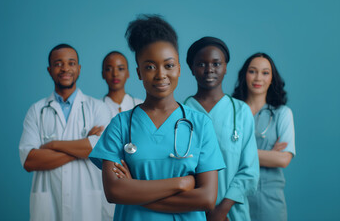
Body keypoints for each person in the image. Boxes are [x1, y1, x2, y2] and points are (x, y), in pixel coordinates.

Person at [89, 15, 225, 221]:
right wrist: (181, 184)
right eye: (150, 67)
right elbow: (114, 192)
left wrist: (134, 191)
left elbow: (207, 198)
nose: (160, 74)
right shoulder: (121, 125)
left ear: (179, 68)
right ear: (139, 72)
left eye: (169, 65)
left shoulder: (200, 124)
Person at [19, 44, 112, 221]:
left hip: (87, 207)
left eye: (71, 63)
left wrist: (53, 145)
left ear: (79, 68)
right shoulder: (36, 110)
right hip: (48, 209)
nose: (65, 69)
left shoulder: (98, 108)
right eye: (58, 63)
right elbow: (29, 160)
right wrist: (84, 144)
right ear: (49, 69)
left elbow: (99, 149)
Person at [184, 37, 259, 221]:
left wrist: (221, 210)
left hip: (232, 214)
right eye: (201, 64)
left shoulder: (241, 112)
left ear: (225, 67)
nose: (209, 69)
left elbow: (249, 170)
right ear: (192, 69)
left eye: (216, 63)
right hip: (192, 211)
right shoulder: (181, 114)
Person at [232, 52, 295, 221]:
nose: (258, 78)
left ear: (272, 78)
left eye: (265, 72)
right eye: (252, 71)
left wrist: (239, 151)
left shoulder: (282, 114)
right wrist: (269, 154)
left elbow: (283, 160)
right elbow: (221, 155)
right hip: (233, 196)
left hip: (270, 198)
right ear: (244, 75)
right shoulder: (231, 111)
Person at [102, 51, 143, 118]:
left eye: (120, 69)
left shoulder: (140, 106)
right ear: (103, 74)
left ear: (128, 73)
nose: (115, 74)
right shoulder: (96, 108)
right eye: (108, 69)